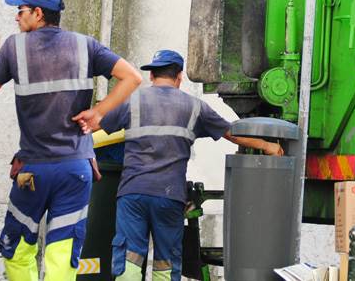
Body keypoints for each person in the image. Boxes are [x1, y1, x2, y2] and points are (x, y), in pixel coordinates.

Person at [0, 0, 142, 280]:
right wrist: (98, 112)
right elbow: (132, 77)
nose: (17, 17)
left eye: (21, 11)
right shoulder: (86, 46)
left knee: (17, 249)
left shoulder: (13, 48)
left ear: (38, 14)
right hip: (76, 170)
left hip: (34, 171)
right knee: (62, 253)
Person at [88, 50, 283, 281]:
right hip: (169, 195)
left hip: (133, 193)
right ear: (179, 76)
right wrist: (266, 145)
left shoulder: (134, 101)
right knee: (166, 263)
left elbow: (95, 126)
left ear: (152, 76)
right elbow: (232, 133)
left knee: (129, 259)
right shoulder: (195, 107)